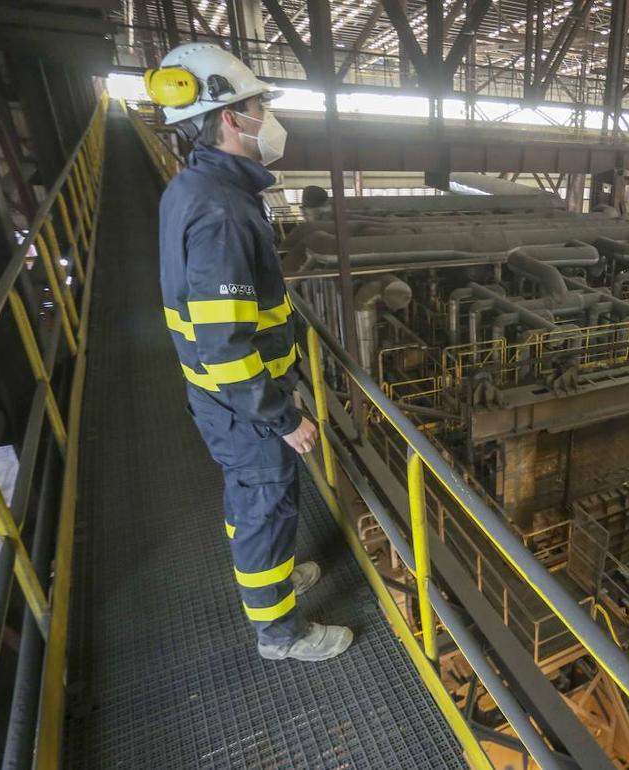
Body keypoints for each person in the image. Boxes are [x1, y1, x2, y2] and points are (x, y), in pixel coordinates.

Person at [150, 42, 352, 661]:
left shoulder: (197, 188)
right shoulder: (223, 213)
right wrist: (283, 417)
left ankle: (274, 581)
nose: (267, 114)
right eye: (259, 103)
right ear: (231, 118)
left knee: (251, 499)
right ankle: (280, 634)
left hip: (223, 399)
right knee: (266, 504)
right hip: (244, 403)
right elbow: (224, 343)